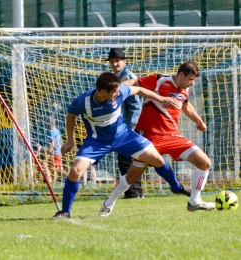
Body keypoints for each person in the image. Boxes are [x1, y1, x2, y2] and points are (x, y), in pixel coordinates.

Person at [51, 71, 181, 220]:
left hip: (123, 136)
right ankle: (65, 212)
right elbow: (71, 115)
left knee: (156, 158)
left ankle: (177, 187)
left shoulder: (119, 92)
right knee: (75, 170)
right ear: (102, 91)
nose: (118, 94)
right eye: (114, 92)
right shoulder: (83, 102)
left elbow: (138, 89)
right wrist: (69, 141)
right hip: (97, 141)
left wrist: (162, 98)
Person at [99, 61, 215, 217]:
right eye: (190, 79)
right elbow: (134, 82)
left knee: (205, 162)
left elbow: (185, 105)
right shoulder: (159, 80)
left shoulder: (185, 89)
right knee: (132, 176)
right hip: (150, 137)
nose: (192, 84)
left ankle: (194, 201)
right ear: (181, 75)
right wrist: (116, 92)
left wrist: (198, 120)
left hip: (173, 136)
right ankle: (109, 203)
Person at [106, 47, 143, 198]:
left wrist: (131, 127)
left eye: (118, 61)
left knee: (127, 161)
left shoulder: (128, 77)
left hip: (129, 128)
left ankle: (133, 193)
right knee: (128, 161)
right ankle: (134, 192)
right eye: (112, 61)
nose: (115, 64)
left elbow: (135, 106)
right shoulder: (117, 78)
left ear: (124, 61)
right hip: (123, 127)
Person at [46, 117, 66, 183]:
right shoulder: (57, 131)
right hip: (59, 151)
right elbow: (60, 141)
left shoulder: (51, 132)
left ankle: (54, 182)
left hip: (55, 152)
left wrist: (49, 152)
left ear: (49, 124)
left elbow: (52, 143)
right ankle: (69, 178)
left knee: (54, 168)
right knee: (60, 168)